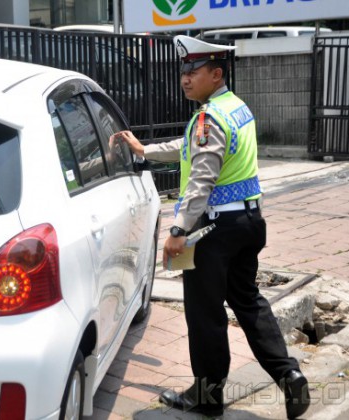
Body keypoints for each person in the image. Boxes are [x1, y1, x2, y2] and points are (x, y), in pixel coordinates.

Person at [110, 35, 310, 419]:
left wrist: (178, 231)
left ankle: (207, 396)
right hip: (248, 221)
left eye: (194, 72)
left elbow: (201, 178)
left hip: (214, 229)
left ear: (216, 74)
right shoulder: (235, 108)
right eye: (183, 72)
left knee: (205, 314)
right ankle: (289, 374)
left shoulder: (208, 117)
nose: (185, 79)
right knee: (247, 301)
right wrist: (145, 150)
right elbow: (192, 148)